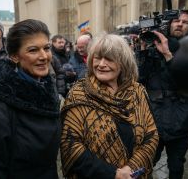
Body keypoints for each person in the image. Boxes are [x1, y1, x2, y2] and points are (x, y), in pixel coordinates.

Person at [0, 19, 61, 179]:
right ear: (14, 56)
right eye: (33, 50)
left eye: (47, 48)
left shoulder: (48, 93)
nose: (44, 56)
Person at [61, 34, 159, 179]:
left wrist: (130, 168)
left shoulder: (137, 91)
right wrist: (113, 174)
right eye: (97, 58)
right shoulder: (79, 93)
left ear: (123, 62)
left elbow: (151, 135)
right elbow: (70, 145)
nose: (101, 64)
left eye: (109, 59)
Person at [137, 10, 188, 179]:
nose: (179, 24)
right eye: (176, 20)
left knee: (176, 166)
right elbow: (139, 80)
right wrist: (142, 49)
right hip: (153, 118)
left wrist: (168, 55)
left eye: (185, 22)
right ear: (168, 24)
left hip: (180, 120)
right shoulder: (153, 47)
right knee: (146, 163)